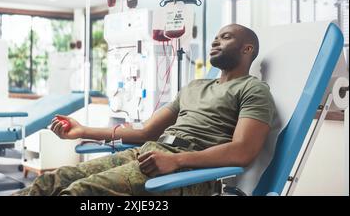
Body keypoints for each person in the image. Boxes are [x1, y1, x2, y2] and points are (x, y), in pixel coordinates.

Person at [14, 23, 276, 196]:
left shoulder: (253, 89)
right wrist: (83, 130)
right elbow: (146, 132)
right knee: (54, 180)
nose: (215, 42)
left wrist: (176, 160)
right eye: (216, 37)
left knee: (82, 192)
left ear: (247, 49)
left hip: (188, 170)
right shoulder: (195, 86)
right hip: (150, 153)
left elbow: (243, 152)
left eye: (225, 37)